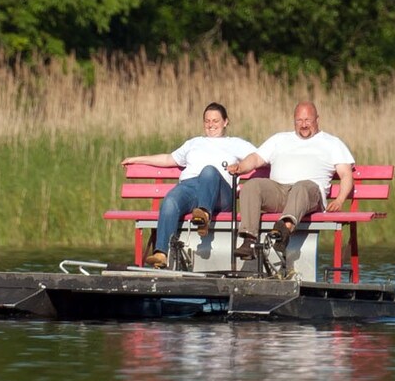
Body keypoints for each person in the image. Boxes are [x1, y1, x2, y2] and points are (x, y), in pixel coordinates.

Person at [121, 102, 260, 268]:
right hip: (191, 187)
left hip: (220, 192)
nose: (211, 125)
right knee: (171, 200)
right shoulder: (194, 143)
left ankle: (203, 215)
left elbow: (260, 157)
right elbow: (168, 159)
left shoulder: (236, 143)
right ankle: (161, 253)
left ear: (225, 122)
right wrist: (137, 159)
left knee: (209, 171)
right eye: (207, 121)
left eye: (215, 121)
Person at [225, 101, 354, 259]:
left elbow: (346, 175)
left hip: (310, 194)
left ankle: (283, 230)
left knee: (301, 186)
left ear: (317, 120)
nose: (303, 125)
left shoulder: (332, 143)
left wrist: (340, 200)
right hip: (279, 191)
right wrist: (240, 167)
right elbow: (256, 158)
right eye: (299, 120)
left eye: (308, 120)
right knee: (252, 185)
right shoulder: (280, 139)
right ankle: (249, 241)